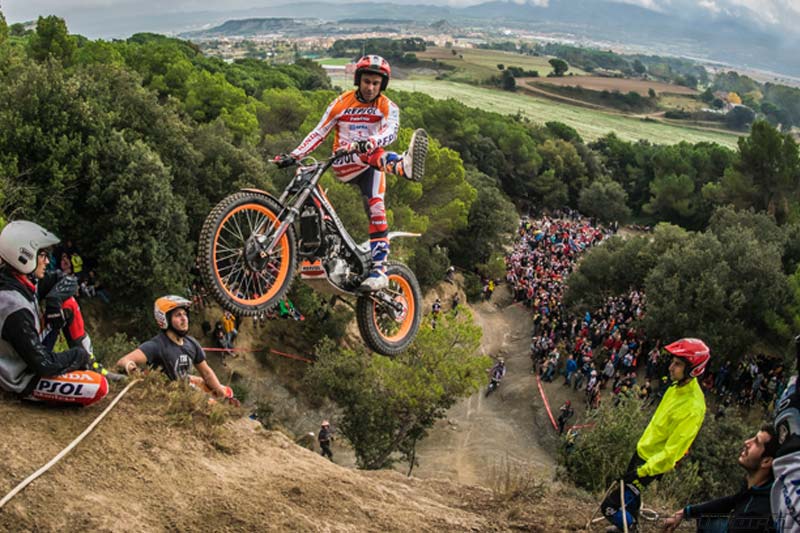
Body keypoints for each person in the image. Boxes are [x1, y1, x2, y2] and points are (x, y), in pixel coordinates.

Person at [275, 54, 428, 292]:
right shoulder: (341, 103)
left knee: (377, 207)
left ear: (382, 85)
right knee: (306, 178)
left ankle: (378, 271)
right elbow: (318, 132)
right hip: (344, 163)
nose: (370, 88)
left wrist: (370, 141)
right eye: (367, 81)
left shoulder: (388, 106)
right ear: (358, 80)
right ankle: (401, 165)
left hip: (372, 163)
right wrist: (294, 155)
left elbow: (391, 132)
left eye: (376, 84)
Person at [602, 338, 709, 532]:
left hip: (651, 463)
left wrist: (642, 472)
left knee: (610, 507)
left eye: (677, 364)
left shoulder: (693, 407)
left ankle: (630, 528)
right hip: (643, 451)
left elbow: (672, 453)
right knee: (632, 500)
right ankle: (629, 527)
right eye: (672, 362)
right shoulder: (676, 387)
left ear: (693, 369)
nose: (670, 367)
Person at [0, 221, 109, 406]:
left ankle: (92, 363)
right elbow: (44, 365)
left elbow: (67, 279)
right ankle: (87, 362)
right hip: (18, 379)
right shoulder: (13, 307)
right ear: (24, 256)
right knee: (99, 387)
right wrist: (78, 356)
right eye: (42, 255)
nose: (47, 261)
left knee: (68, 302)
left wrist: (54, 300)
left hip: (26, 356)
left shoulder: (21, 279)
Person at [115, 295, 238, 405]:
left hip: (186, 386)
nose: (184, 318)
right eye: (178, 315)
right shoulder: (156, 345)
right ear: (165, 320)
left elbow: (206, 372)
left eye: (185, 314)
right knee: (213, 405)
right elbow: (123, 361)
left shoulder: (191, 343)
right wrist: (133, 369)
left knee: (223, 390)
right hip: (170, 396)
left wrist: (223, 396)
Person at [662, 424, 778, 533]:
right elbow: (730, 502)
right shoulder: (755, 490)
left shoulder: (760, 511)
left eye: (756, 442)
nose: (747, 442)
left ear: (766, 461)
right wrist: (684, 513)